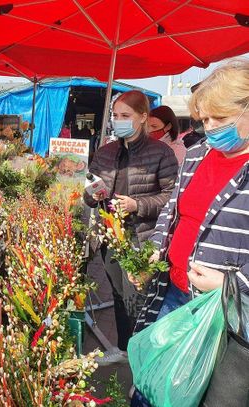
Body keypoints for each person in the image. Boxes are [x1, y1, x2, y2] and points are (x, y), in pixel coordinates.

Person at [132, 59, 249, 406]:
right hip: (176, 293)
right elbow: (173, 210)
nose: (211, 128)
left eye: (221, 120)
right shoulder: (198, 153)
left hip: (223, 315)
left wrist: (228, 284)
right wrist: (155, 250)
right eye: (205, 120)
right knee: (157, 385)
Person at [84, 90, 179, 364]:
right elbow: (89, 192)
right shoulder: (105, 152)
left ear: (143, 118)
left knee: (141, 298)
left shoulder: (160, 153)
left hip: (143, 237)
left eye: (126, 116)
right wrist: (93, 194)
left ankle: (145, 358)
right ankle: (126, 350)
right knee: (118, 294)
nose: (118, 121)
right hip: (111, 236)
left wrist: (138, 205)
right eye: (115, 116)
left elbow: (172, 197)